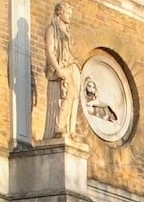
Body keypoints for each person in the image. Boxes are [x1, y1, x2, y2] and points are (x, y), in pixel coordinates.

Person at [43, 2, 82, 141]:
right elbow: (49, 50)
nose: (70, 16)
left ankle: (70, 130)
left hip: (72, 66)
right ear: (60, 13)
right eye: (68, 13)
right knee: (67, 96)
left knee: (74, 97)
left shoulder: (67, 31)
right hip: (62, 66)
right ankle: (59, 126)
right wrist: (58, 69)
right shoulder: (52, 29)